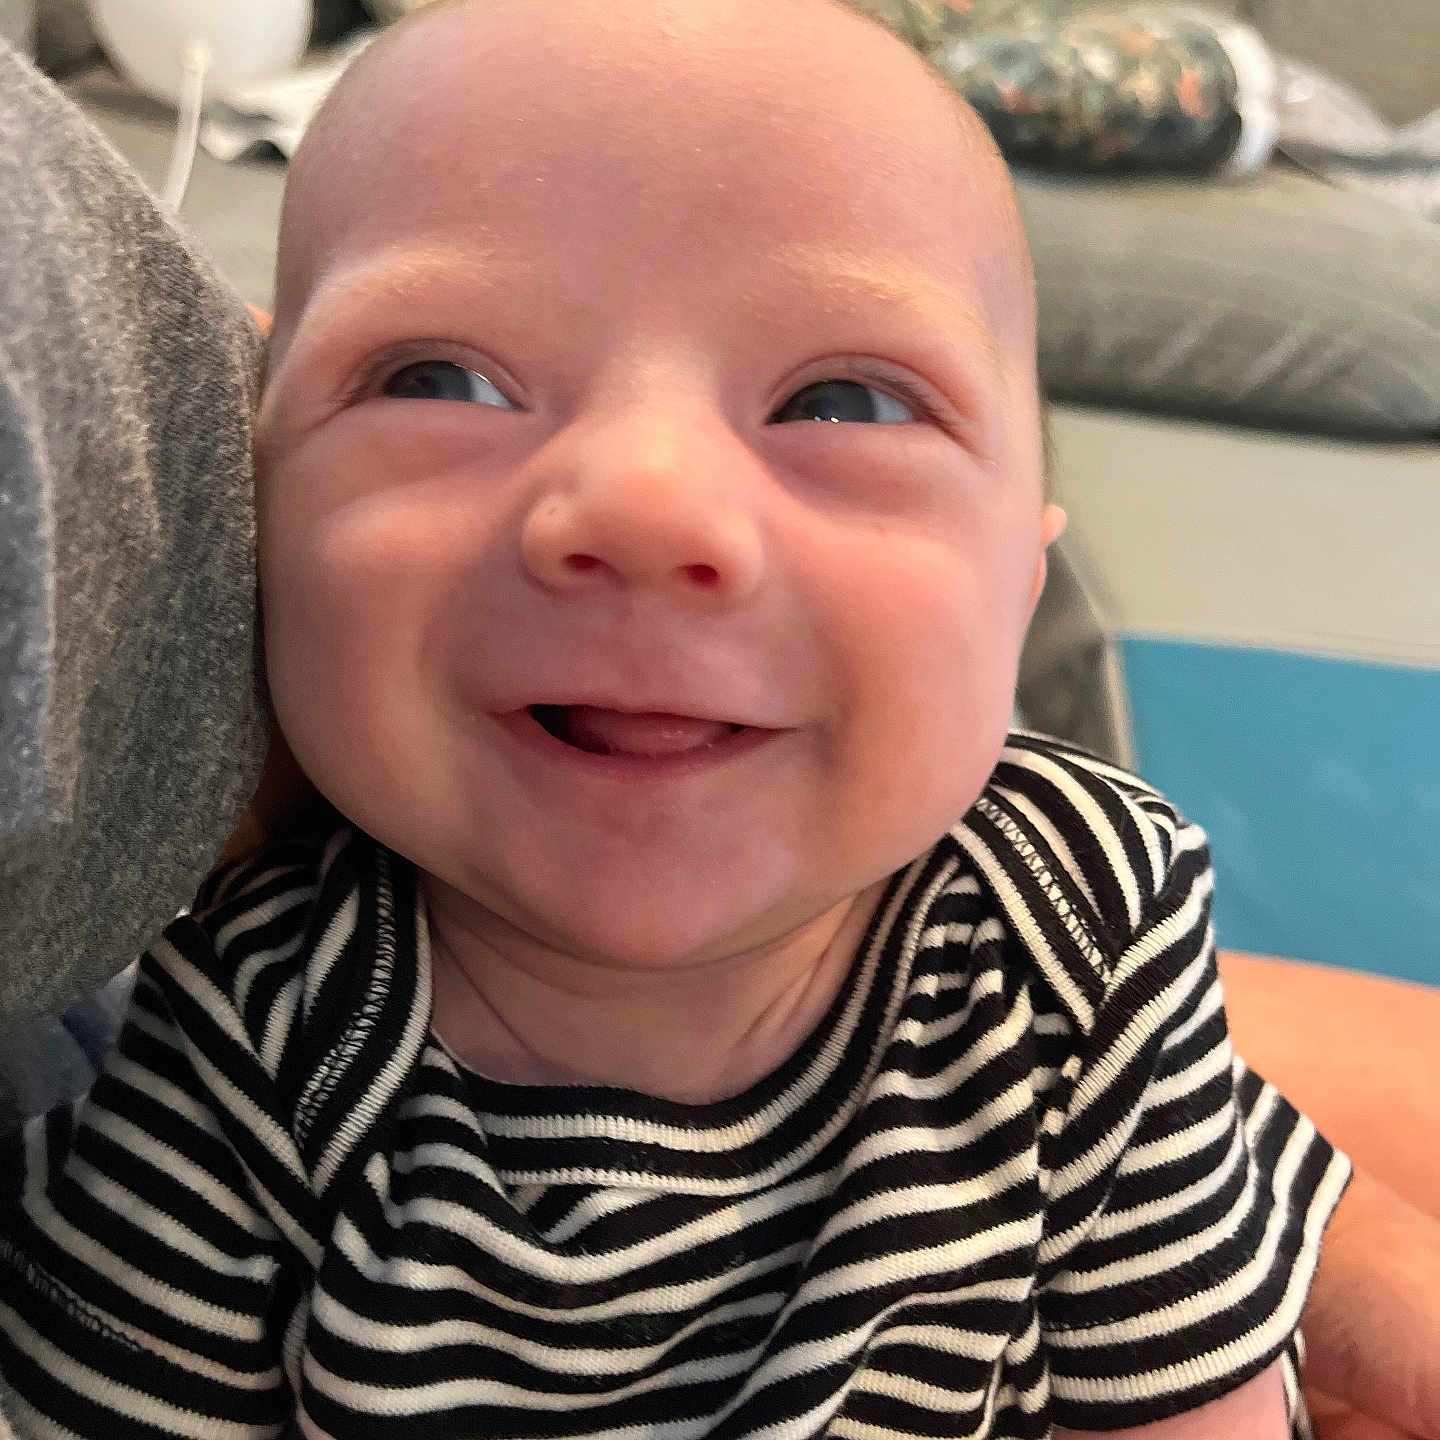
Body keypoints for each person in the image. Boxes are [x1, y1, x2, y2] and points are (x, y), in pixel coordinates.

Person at [0, 3, 1435, 1437]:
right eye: (442, 381)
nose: (647, 504)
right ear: (249, 517)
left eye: (845, 401)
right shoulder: (251, 1034)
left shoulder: (1086, 922)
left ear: (1023, 576)